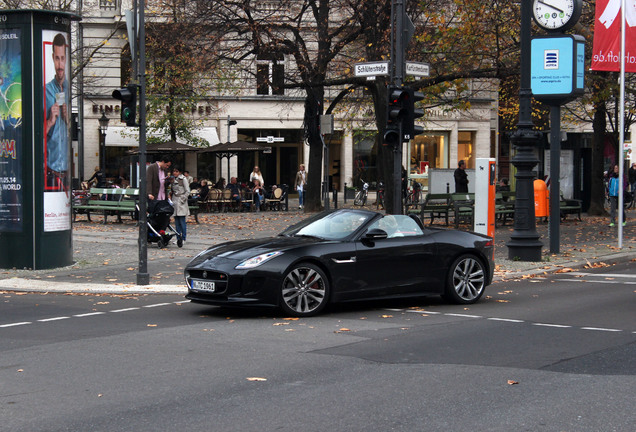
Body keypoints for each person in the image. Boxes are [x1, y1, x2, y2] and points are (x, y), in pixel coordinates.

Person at [45, 33, 70, 191]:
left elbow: (75, 135)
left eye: (62, 59)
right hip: (50, 173)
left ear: (66, 59)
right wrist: (49, 121)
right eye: (57, 59)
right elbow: (34, 136)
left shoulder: (70, 89)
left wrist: (68, 120)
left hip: (66, 174)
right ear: (53, 58)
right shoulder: (45, 91)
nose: (60, 65)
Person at [170, 167, 190, 243]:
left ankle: (183, 238)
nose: (175, 173)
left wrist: (183, 199)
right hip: (175, 200)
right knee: (177, 222)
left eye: (176, 171)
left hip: (181, 201)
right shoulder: (173, 179)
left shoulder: (183, 179)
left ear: (180, 172)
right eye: (174, 171)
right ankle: (178, 237)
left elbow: (187, 191)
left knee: (182, 221)